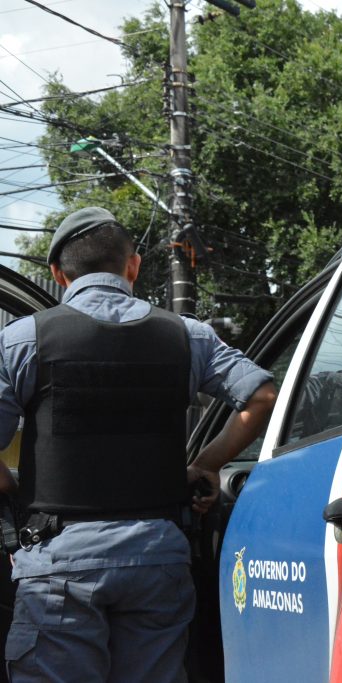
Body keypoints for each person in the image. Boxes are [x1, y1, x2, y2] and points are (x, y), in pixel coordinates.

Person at [0, 207, 277, 682]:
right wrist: (207, 463)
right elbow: (262, 396)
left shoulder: (24, 341)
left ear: (57, 274)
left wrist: (13, 489)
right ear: (133, 266)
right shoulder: (187, 335)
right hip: (158, 558)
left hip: (58, 564)